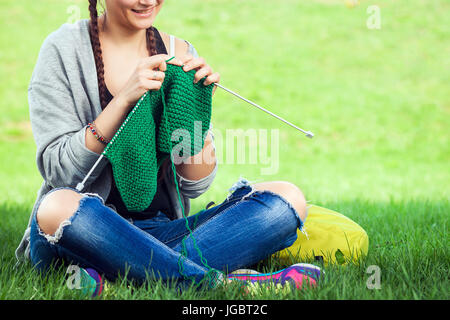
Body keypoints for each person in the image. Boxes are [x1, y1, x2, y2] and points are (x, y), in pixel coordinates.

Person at [15, 0, 319, 294]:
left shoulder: (180, 52)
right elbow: (60, 171)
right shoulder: (62, 50)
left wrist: (196, 111)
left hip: (161, 231)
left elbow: (195, 185)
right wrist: (122, 101)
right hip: (83, 229)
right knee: (56, 207)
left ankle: (119, 275)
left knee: (286, 198)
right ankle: (222, 283)